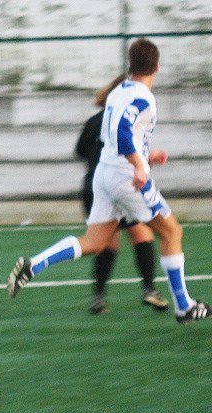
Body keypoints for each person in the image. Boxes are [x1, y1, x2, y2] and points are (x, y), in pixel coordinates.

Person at [7, 38, 211, 323]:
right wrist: (139, 165)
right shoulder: (144, 97)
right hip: (126, 179)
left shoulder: (118, 92)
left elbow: (113, 135)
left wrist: (146, 156)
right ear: (157, 66)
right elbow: (123, 132)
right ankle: (183, 306)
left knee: (94, 242)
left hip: (104, 173)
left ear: (131, 63)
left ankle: (36, 263)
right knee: (172, 233)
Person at [76, 74, 169, 314]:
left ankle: (98, 297)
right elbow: (124, 149)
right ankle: (149, 290)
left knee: (105, 242)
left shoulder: (95, 121)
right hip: (119, 183)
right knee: (142, 234)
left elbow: (80, 150)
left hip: (93, 184)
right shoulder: (126, 119)